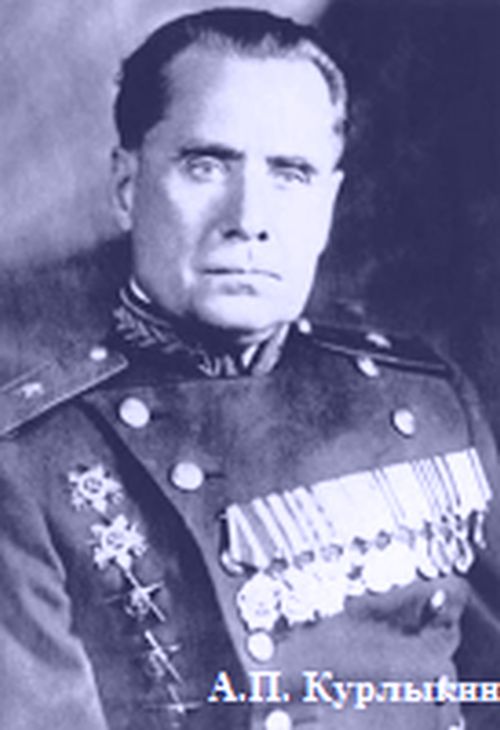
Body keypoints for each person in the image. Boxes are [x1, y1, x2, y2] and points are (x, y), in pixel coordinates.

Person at [0, 7, 499, 730]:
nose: (249, 217)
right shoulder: (31, 461)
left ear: (326, 206)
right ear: (127, 187)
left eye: (291, 173)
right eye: (206, 166)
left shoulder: (427, 402)